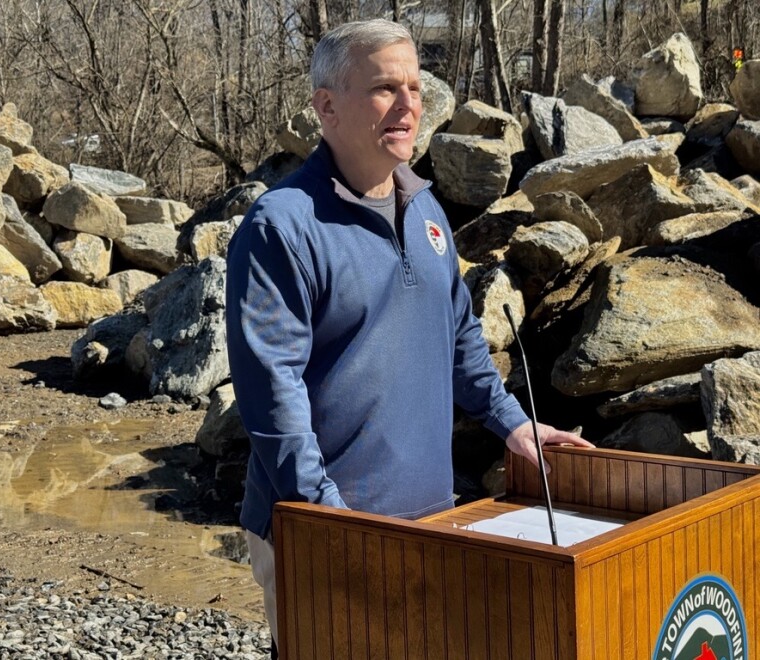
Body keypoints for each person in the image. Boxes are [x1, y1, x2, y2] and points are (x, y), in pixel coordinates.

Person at [225, 18, 592, 657]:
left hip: (431, 521)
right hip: (322, 527)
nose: (408, 106)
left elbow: (457, 336)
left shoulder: (424, 207)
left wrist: (513, 424)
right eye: (384, 88)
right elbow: (271, 397)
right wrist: (329, 520)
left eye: (415, 88)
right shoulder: (280, 226)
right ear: (327, 107)